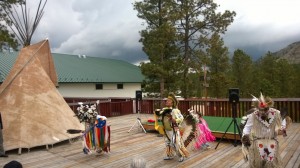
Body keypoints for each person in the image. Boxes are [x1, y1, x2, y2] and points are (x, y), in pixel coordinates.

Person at [241, 93, 283, 168]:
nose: (263, 112)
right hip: (257, 142)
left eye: (265, 109)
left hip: (271, 141)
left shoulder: (276, 114)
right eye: (261, 110)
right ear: (257, 107)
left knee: (271, 163)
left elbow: (281, 126)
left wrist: (281, 130)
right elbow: (247, 128)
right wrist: (245, 136)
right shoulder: (253, 115)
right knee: (257, 163)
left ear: (269, 106)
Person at [154, 92, 188, 162]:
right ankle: (170, 155)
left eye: (169, 101)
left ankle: (181, 155)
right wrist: (157, 112)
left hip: (173, 130)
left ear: (172, 103)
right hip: (166, 130)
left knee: (175, 143)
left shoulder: (175, 110)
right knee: (167, 143)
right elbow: (159, 115)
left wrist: (175, 120)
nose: (167, 101)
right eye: (166, 100)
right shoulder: (164, 110)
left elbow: (181, 118)